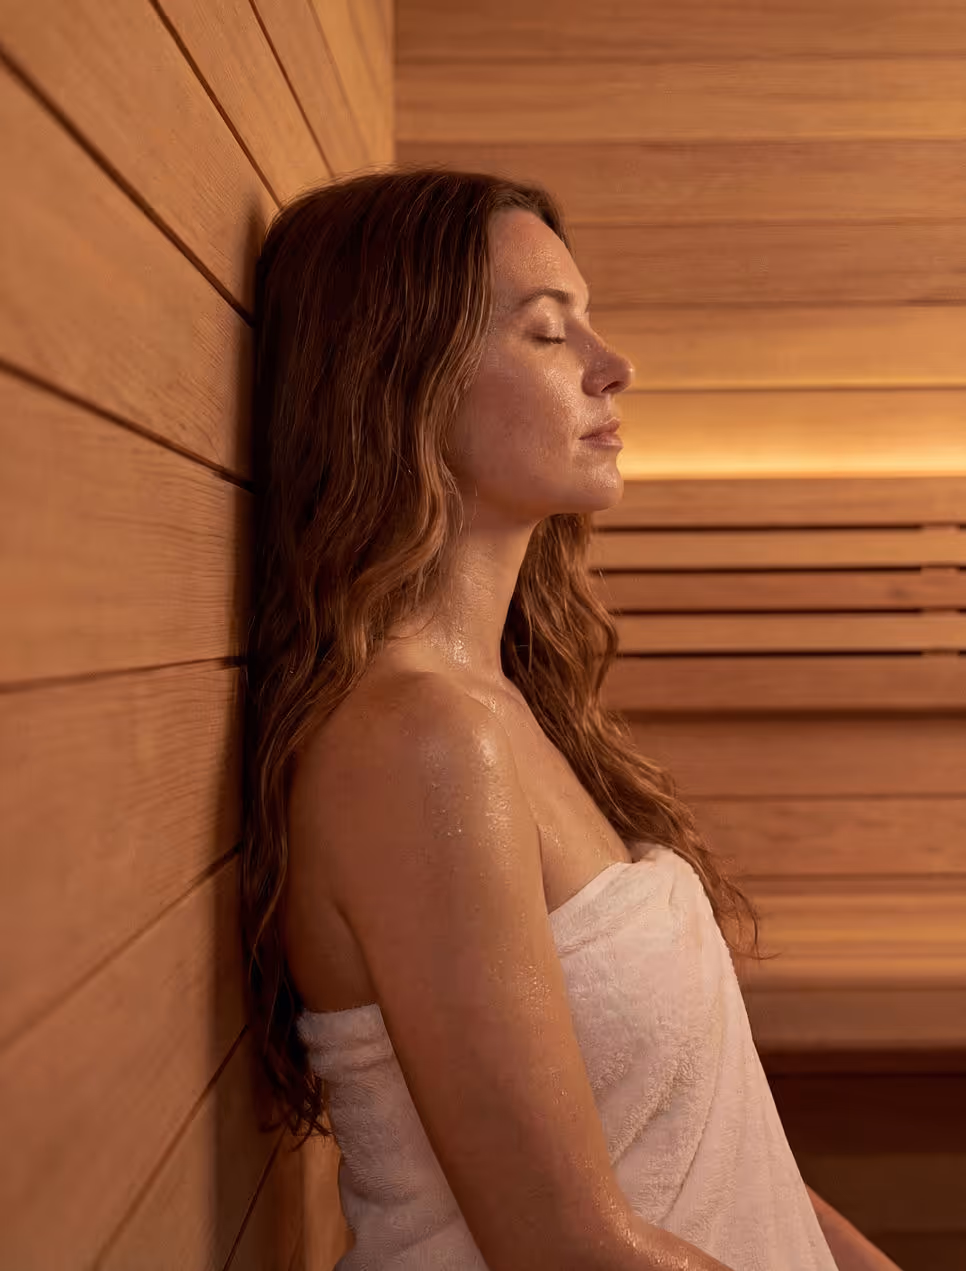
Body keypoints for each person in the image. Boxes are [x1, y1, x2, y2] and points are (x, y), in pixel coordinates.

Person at [241, 166, 900, 1271]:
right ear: (401, 378)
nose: (612, 364)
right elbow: (571, 1251)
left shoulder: (504, 704)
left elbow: (712, 1140)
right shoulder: (414, 746)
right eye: (550, 332)